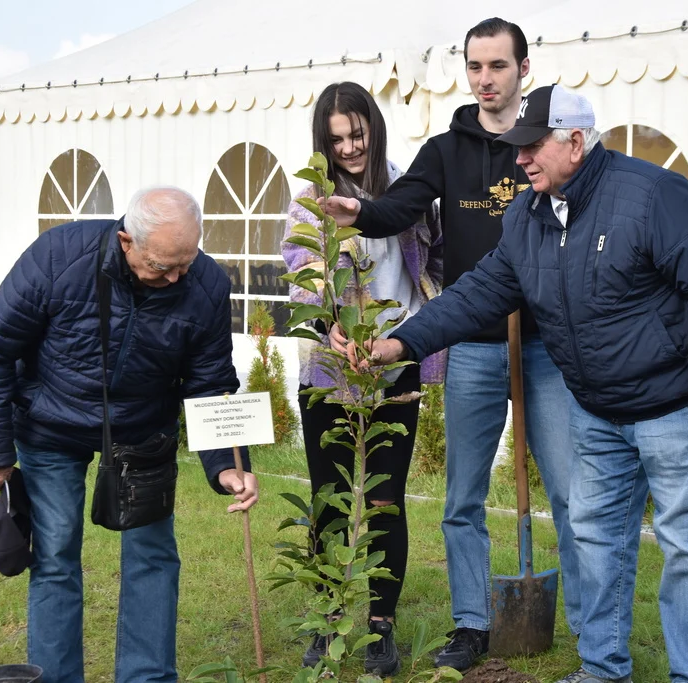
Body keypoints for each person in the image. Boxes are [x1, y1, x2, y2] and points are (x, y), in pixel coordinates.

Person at [354, 84, 688, 683]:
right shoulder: (530, 215)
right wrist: (401, 342)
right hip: (595, 411)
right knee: (595, 541)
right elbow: (479, 293)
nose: (519, 159)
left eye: (531, 146)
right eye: (516, 148)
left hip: (674, 410)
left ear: (574, 141)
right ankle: (602, 669)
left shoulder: (653, 197)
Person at [319, 18, 582, 670]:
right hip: (472, 343)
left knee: (572, 492)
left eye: (498, 66)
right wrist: (360, 213)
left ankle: (592, 619)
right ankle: (472, 625)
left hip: (546, 346)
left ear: (524, 67)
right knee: (463, 496)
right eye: (475, 66)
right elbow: (402, 205)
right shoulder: (446, 149)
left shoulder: (546, 145)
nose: (486, 79)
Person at [0, 187, 259, 683]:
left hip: (143, 430)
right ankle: (54, 678)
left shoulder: (208, 282)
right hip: (50, 425)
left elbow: (210, 380)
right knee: (56, 555)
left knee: (153, 556)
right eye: (161, 266)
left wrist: (227, 464)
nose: (175, 277)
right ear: (126, 240)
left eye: (185, 264)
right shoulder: (58, 256)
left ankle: (147, 677)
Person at [282, 81, 445, 676]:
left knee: (383, 499)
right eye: (337, 138)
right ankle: (328, 618)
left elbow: (437, 261)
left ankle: (379, 624)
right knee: (329, 500)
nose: (350, 146)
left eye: (358, 133)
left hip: (396, 360)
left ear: (374, 127)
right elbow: (300, 273)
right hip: (329, 370)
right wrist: (331, 328)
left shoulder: (410, 190)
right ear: (322, 143)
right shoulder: (310, 201)